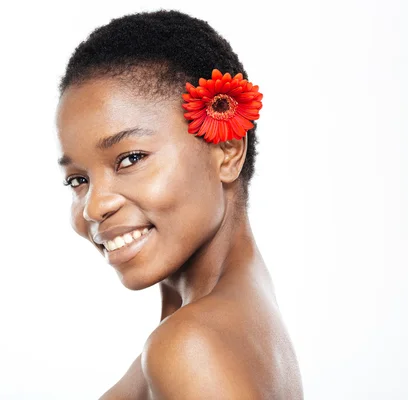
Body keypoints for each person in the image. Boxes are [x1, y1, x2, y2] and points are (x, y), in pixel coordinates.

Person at [55, 9, 304, 399]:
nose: (93, 206)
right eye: (78, 180)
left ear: (226, 150)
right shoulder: (231, 322)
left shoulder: (191, 345)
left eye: (130, 158)